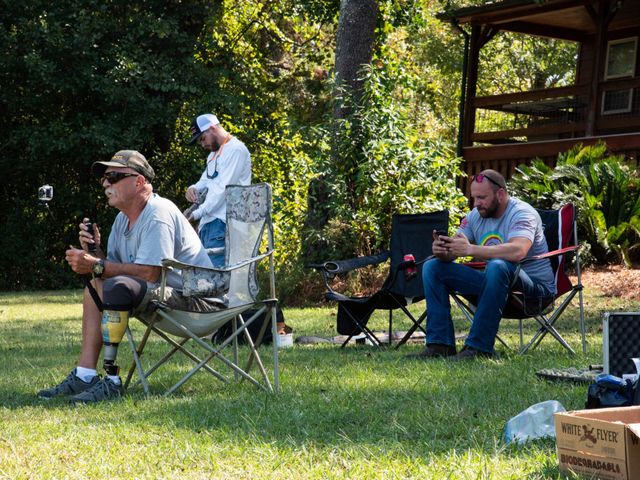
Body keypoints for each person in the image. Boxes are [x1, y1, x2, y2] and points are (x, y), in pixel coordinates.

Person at [38, 150, 217, 404]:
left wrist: (96, 264)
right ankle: (86, 374)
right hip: (166, 296)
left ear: (139, 181)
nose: (105, 183)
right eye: (104, 178)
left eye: (114, 176)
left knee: (116, 285)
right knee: (96, 284)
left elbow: (150, 273)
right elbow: (114, 268)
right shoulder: (123, 220)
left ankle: (112, 380)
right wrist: (95, 251)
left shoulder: (158, 213)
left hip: (199, 303)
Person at [412, 169, 555, 360]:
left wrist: (470, 249)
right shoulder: (475, 216)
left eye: (482, 197)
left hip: (533, 292)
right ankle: (440, 345)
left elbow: (517, 251)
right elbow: (458, 244)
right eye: (474, 197)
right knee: (433, 267)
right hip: (495, 287)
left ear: (501, 194)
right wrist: (444, 251)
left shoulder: (522, 213)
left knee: (498, 265)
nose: (476, 203)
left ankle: (478, 348)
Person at [185, 113, 251, 266]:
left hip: (224, 222)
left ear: (212, 128)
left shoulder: (236, 150)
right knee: (204, 276)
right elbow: (206, 181)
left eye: (202, 139)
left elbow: (223, 190)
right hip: (208, 222)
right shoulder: (213, 156)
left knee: (215, 280)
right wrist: (193, 188)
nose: (202, 145)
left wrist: (195, 214)